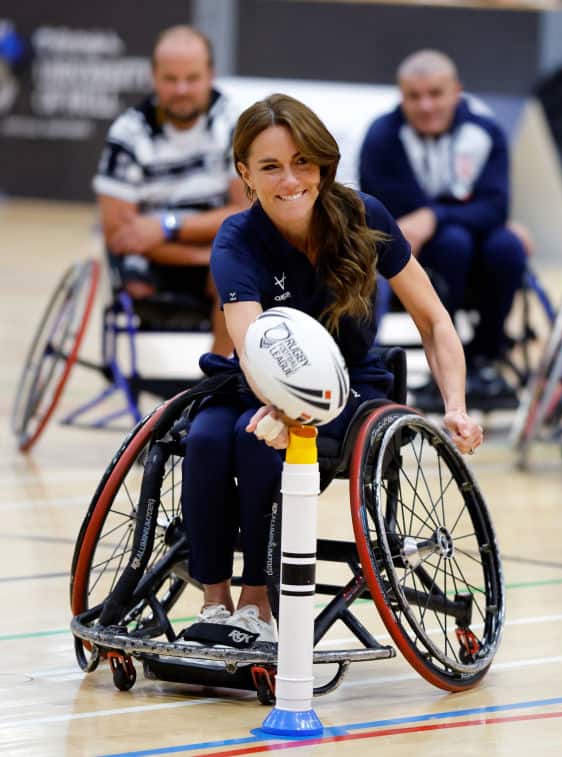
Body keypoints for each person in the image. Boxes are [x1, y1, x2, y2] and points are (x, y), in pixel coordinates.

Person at [179, 94, 483, 642]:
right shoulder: (237, 239)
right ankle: (214, 605)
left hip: (346, 387)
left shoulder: (364, 216)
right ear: (245, 174)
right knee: (204, 436)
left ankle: (257, 607)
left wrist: (455, 407)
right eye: (270, 166)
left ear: (323, 165)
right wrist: (276, 403)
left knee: (255, 443)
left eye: (303, 162)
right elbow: (251, 346)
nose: (290, 179)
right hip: (259, 379)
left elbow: (434, 320)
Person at [358, 49, 527, 402]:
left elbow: (495, 207)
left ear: (456, 91)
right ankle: (445, 358)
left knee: (507, 246)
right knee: (452, 242)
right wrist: (445, 217)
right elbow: (390, 214)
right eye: (413, 96)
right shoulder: (382, 137)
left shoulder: (486, 132)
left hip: (478, 245)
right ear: (400, 96)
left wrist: (434, 216)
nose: (425, 106)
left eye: (435, 93)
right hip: (415, 255)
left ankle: (485, 355)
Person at [93, 25, 247, 356]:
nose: (181, 89)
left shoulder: (234, 123)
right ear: (153, 77)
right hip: (154, 259)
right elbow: (120, 234)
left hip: (213, 254)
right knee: (133, 279)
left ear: (211, 75)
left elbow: (245, 213)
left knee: (236, 275)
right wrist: (198, 247)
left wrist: (166, 226)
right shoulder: (128, 133)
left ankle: (214, 385)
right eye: (170, 79)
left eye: (192, 78)